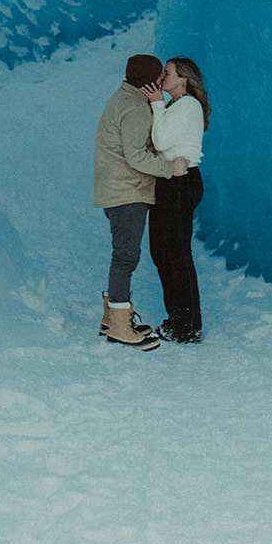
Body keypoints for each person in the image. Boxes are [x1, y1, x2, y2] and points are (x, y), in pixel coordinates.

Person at [93, 52, 187, 349]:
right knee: (125, 256)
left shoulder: (125, 97)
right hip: (127, 192)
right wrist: (169, 168)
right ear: (150, 79)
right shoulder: (134, 107)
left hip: (120, 190)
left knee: (123, 254)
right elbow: (135, 155)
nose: (162, 78)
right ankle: (120, 326)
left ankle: (113, 317)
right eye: (160, 74)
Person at [141, 56, 210, 343]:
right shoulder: (176, 105)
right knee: (164, 252)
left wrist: (156, 103)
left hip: (180, 182)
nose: (162, 76)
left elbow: (161, 142)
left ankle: (185, 325)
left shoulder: (188, 105)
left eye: (167, 73)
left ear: (183, 79)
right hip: (171, 181)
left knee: (175, 254)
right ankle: (182, 321)